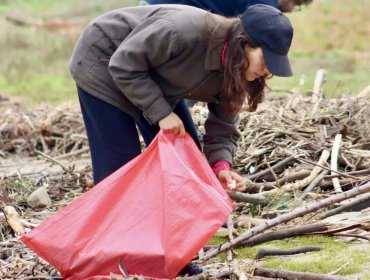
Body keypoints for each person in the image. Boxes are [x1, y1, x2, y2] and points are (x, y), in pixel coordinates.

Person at [69, 4, 293, 275]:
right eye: (267, 61)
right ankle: (112, 260)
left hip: (150, 77)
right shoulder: (182, 31)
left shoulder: (239, 70)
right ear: (244, 44)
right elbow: (124, 63)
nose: (268, 71)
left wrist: (221, 167)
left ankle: (170, 256)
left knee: (186, 160)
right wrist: (161, 112)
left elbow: (222, 126)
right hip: (104, 62)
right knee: (120, 169)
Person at [140, 0, 314, 15]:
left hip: (150, 4)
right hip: (168, 10)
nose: (291, 10)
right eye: (296, 4)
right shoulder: (266, 5)